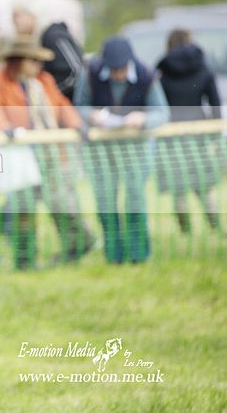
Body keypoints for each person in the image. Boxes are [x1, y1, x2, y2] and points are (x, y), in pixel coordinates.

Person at [0, 37, 96, 269]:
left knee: (61, 204)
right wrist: (5, 128)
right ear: (19, 61)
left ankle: (77, 246)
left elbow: (62, 104)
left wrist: (76, 123)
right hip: (20, 156)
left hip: (50, 153)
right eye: (33, 60)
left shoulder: (43, 80)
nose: (38, 65)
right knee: (23, 209)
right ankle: (25, 260)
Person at [73, 36, 170, 263]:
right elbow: (79, 107)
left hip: (135, 149)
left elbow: (162, 113)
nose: (118, 74)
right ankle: (113, 255)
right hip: (101, 150)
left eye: (122, 69)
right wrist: (92, 115)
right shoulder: (89, 74)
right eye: (113, 70)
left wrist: (143, 118)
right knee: (105, 200)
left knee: (135, 199)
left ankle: (138, 255)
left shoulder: (147, 76)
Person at [155, 28, 222, 232]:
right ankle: (215, 227)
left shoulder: (162, 70)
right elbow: (215, 104)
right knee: (204, 185)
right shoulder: (203, 68)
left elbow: (157, 104)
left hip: (171, 133)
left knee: (178, 188)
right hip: (198, 132)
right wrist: (214, 133)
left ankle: (185, 230)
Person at [40, 21, 85, 99]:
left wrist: (56, 92)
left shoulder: (56, 37)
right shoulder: (58, 36)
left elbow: (77, 71)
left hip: (69, 97)